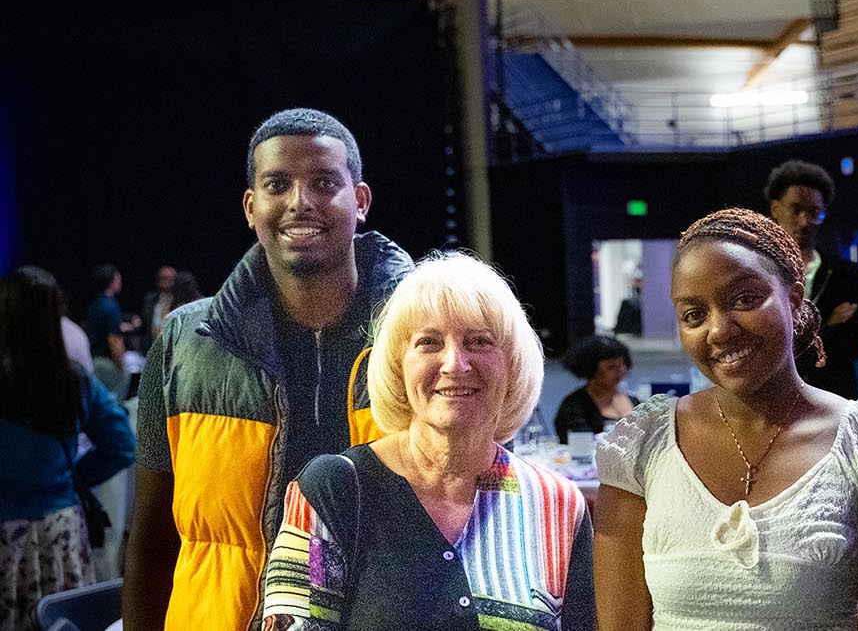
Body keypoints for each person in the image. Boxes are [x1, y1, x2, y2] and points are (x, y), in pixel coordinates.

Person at [126, 108, 414, 631]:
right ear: (251, 206)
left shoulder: (427, 340)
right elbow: (151, 539)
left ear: (362, 200)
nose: (300, 202)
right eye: (278, 184)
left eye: (325, 182)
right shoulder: (184, 343)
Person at [593, 208, 858, 630]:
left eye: (744, 299)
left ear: (793, 301)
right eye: (693, 315)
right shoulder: (642, 445)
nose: (719, 330)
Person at [260, 253, 595, 630]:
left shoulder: (558, 506)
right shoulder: (332, 491)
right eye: (429, 342)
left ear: (513, 366)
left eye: (479, 341)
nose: (455, 363)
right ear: (398, 367)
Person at [1, 266, 135, 631]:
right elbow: (123, 445)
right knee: (62, 621)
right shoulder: (73, 380)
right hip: (59, 528)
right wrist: (75, 478)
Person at [765, 161, 858, 400]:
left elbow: (850, 347)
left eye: (814, 213)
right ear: (775, 208)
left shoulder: (846, 275)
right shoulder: (757, 273)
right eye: (796, 210)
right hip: (773, 402)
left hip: (834, 398)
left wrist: (788, 340)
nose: (805, 221)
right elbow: (759, 347)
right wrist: (826, 326)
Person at [551, 334, 638, 443]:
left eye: (621, 366)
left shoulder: (634, 400)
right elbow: (578, 444)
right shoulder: (574, 406)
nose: (619, 372)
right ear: (591, 370)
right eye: (611, 367)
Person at [82, 263, 127, 393]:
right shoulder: (111, 306)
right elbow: (114, 339)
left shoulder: (94, 304)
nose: (120, 282)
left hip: (92, 360)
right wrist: (121, 366)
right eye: (118, 279)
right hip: (105, 362)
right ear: (111, 281)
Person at [140, 265, 176, 346]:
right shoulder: (150, 299)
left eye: (167, 278)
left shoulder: (179, 301)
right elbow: (145, 322)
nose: (163, 281)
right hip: (152, 346)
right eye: (161, 278)